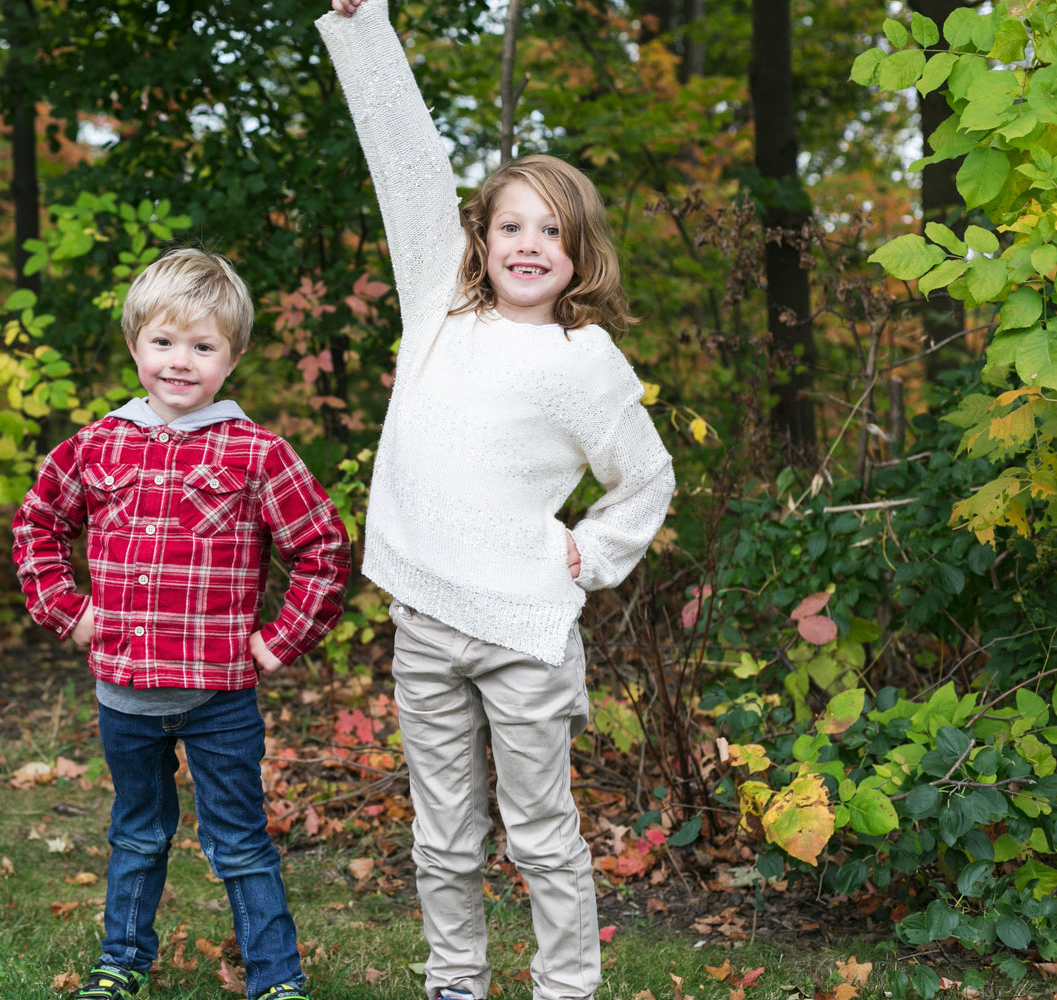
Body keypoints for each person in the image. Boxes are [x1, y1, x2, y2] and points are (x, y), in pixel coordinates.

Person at [316, 3, 675, 1000]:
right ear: (479, 237)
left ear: (579, 250)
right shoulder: (439, 303)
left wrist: (594, 552)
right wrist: (366, 27)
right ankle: (455, 982)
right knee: (442, 832)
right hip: (427, 623)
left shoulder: (585, 361)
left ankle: (565, 986)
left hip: (524, 634)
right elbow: (407, 162)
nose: (527, 243)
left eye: (549, 230)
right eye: (510, 224)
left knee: (541, 830)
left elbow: (645, 478)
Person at [12, 248, 352, 1000]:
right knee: (137, 833)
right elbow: (38, 523)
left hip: (218, 699)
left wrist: (277, 639)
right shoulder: (95, 444)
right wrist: (67, 614)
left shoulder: (257, 452)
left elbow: (323, 548)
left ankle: (275, 977)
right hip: (124, 696)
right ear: (136, 344)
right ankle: (121, 961)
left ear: (232, 358)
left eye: (203, 346)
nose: (180, 361)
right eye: (164, 342)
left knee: (238, 842)